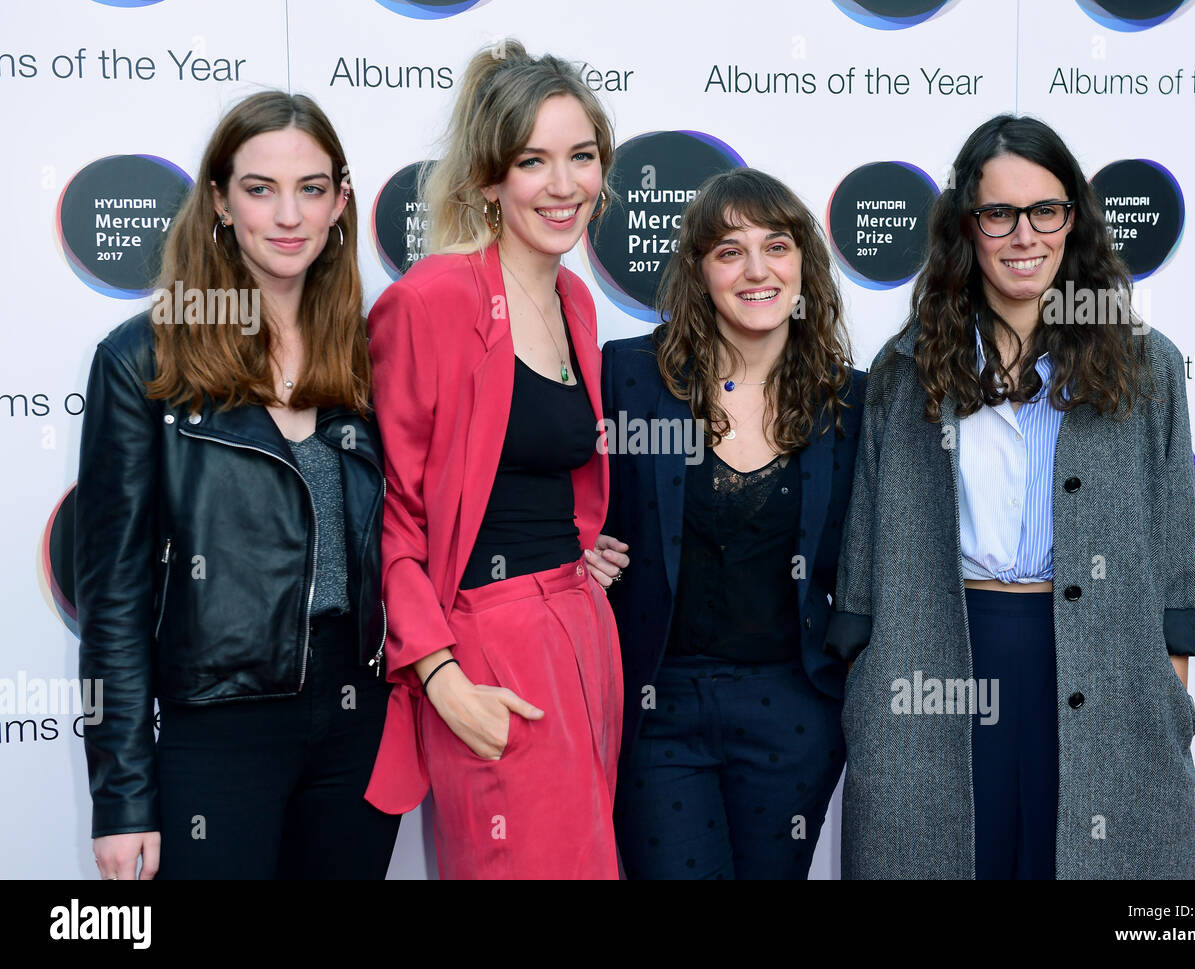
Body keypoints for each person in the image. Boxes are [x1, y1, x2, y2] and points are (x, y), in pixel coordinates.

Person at [829, 114, 1195, 879]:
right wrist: (870, 695)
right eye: (998, 213)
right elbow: (864, 558)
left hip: (1100, 666)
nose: (1023, 235)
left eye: (1046, 210)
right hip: (941, 654)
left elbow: (1175, 557)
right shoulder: (906, 371)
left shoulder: (1146, 366)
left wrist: (1167, 698)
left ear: (1074, 220)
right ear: (966, 227)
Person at [77, 91, 396, 880]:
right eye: (260, 189)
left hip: (361, 723)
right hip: (218, 728)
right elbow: (112, 595)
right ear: (219, 200)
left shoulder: (373, 354)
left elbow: (432, 515)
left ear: (340, 202)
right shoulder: (141, 362)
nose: (288, 215)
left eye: (311, 188)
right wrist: (121, 795)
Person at [362, 40, 628, 879]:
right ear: (487, 179)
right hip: (482, 648)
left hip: (582, 634)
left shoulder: (575, 299)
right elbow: (395, 515)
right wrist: (441, 675)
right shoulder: (428, 302)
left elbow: (537, 470)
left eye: (581, 157)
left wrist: (576, 554)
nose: (563, 185)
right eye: (532, 161)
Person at [602, 168, 864, 879]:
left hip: (794, 712)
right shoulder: (628, 376)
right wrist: (578, 545)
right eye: (729, 251)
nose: (757, 270)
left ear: (804, 263)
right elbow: (558, 497)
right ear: (699, 271)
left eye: (776, 246)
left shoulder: (850, 404)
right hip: (659, 707)